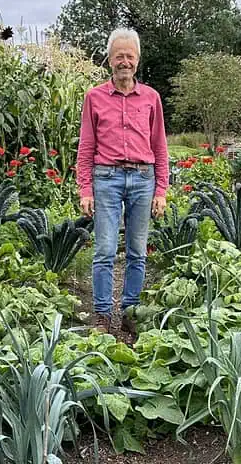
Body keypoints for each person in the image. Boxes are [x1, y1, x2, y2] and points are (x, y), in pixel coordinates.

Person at [75, 27, 169, 337]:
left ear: (137, 60)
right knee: (104, 249)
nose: (124, 61)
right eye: (119, 56)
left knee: (137, 251)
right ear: (110, 60)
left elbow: (160, 146)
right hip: (107, 178)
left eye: (129, 56)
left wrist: (161, 190)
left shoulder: (151, 98)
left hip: (143, 178)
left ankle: (130, 312)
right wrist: (85, 189)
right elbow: (86, 146)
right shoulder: (94, 97)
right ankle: (102, 314)